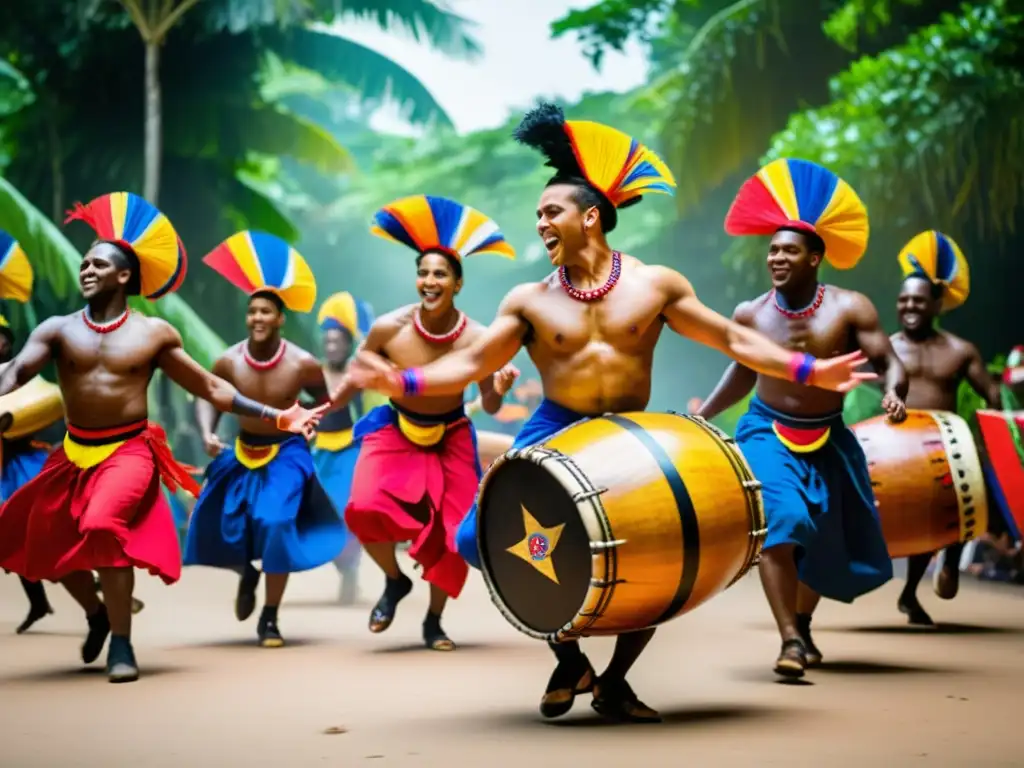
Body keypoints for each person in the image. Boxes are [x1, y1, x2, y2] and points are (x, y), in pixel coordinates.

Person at [345, 105, 875, 721]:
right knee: (478, 536)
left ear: (590, 217)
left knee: (660, 547)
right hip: (554, 427)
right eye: (539, 214)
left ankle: (616, 680)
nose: (540, 222)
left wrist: (809, 371)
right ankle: (570, 660)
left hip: (632, 434)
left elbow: (734, 341)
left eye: (551, 212)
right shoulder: (530, 301)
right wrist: (400, 378)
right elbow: (468, 365)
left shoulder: (656, 286)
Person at [0, 193, 323, 683]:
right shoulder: (58, 330)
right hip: (73, 452)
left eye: (98, 263)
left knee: (104, 525)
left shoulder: (153, 334)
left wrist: (277, 416)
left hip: (128, 450)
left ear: (124, 276)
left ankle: (123, 645)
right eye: (84, 262)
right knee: (38, 539)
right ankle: (97, 614)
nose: (86, 268)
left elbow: (212, 387)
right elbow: (16, 371)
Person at [696, 158, 908, 678]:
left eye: (789, 249)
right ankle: (789, 640)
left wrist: (895, 393)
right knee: (785, 523)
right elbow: (743, 373)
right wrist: (706, 412)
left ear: (816, 257)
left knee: (823, 538)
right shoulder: (750, 313)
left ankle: (803, 625)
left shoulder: (851, 308)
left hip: (829, 438)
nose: (777, 257)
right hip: (765, 430)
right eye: (772, 249)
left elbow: (889, 362)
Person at [330, 194, 519, 652]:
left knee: (452, 536)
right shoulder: (390, 329)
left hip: (452, 436)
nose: (429, 281)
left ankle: (434, 621)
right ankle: (395, 582)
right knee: (361, 509)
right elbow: (358, 370)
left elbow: (488, 406)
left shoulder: (478, 339)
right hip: (395, 430)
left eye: (439, 274)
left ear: (457, 283)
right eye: (423, 273)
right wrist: (324, 408)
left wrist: (498, 387)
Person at [184, 231, 345, 647]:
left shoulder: (302, 363)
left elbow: (324, 401)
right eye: (252, 311)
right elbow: (208, 397)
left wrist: (310, 421)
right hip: (240, 449)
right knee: (224, 521)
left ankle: (270, 616)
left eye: (266, 312)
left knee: (274, 522)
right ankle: (245, 571)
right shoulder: (228, 359)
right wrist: (207, 431)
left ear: (280, 319)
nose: (257, 318)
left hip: (287, 453)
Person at [889, 231, 1001, 624]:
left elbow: (992, 393)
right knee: (922, 524)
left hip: (946, 446)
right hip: (898, 449)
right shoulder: (887, 348)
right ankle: (908, 593)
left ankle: (950, 563)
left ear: (937, 303)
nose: (909, 307)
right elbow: (848, 377)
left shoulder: (960, 350)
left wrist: (991, 444)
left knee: (961, 508)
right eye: (903, 300)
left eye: (918, 301)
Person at [0, 231, 60, 633]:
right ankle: (39, 601)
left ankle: (93, 583)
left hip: (24, 461)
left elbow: (46, 409)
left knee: (42, 529)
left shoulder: (20, 374)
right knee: (10, 537)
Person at [315, 291, 375, 605]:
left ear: (349, 343)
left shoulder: (357, 375)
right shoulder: (312, 373)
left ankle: (351, 568)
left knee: (347, 514)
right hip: (319, 453)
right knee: (319, 515)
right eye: (328, 340)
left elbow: (371, 413)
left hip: (350, 450)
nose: (332, 345)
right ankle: (343, 567)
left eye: (339, 340)